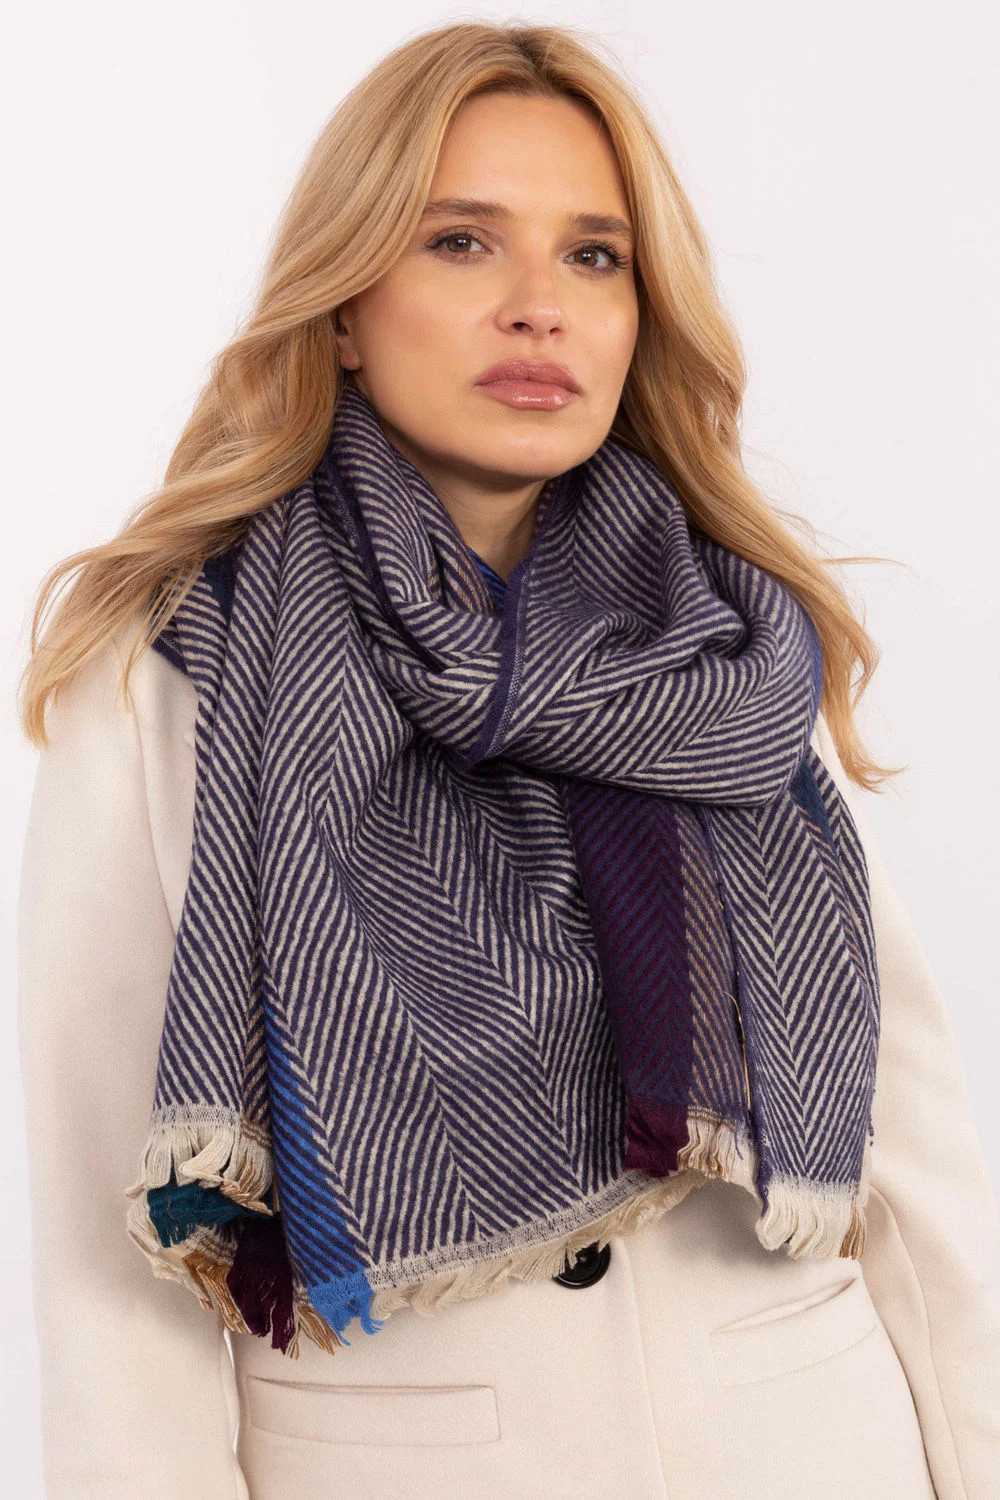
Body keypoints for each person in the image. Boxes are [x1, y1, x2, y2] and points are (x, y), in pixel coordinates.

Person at [15, 19, 1000, 1500]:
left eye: (595, 257)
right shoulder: (168, 669)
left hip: (816, 1443)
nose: (541, 307)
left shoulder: (722, 648)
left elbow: (912, 1153)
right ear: (344, 307)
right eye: (463, 242)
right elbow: (112, 1272)